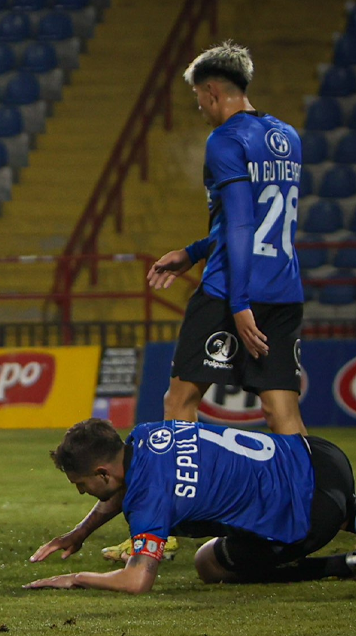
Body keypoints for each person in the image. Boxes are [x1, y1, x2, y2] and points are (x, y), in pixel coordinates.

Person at [120, 41, 306, 563]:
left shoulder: (226, 141)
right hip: (284, 290)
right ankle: (304, 517)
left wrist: (239, 304)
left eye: (198, 100)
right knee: (281, 411)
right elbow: (257, 220)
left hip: (231, 292)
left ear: (212, 91)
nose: (199, 109)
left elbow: (244, 223)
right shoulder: (286, 137)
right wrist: (191, 251)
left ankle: (172, 519)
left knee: (179, 402)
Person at [27, 418, 356, 593]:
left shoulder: (147, 501)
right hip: (319, 457)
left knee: (208, 563)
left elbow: (136, 581)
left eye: (81, 484)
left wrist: (77, 577)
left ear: (102, 472)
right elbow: (126, 486)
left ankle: (345, 564)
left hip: (313, 509)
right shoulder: (147, 435)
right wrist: (80, 532)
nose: (82, 492)